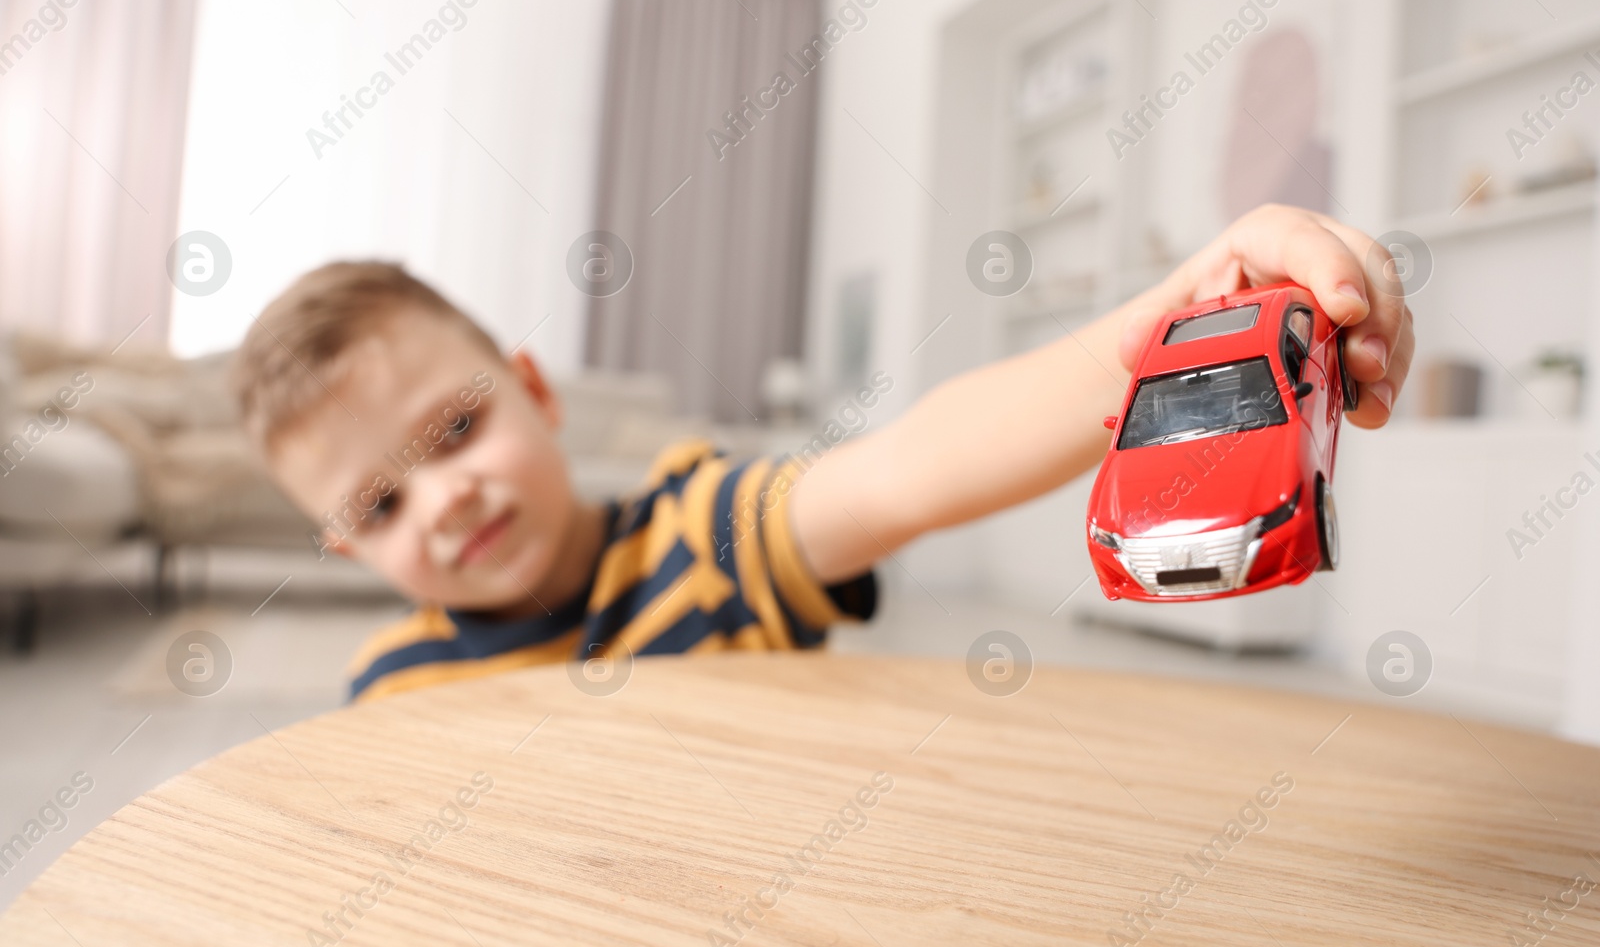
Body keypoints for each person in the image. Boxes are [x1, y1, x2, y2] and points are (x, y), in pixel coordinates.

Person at [233, 204, 1413, 701]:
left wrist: (1159, 331)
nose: (444, 498)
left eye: (456, 429)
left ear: (534, 389)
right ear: (343, 546)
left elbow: (912, 461)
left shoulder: (706, 534)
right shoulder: (392, 689)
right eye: (380, 505)